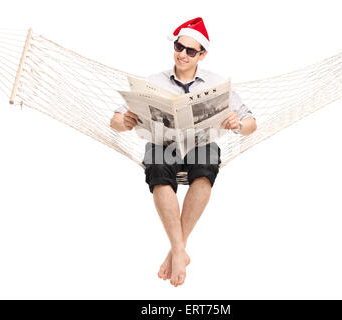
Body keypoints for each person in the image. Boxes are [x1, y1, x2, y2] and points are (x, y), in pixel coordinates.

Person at [110, 17, 257, 287]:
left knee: (205, 172)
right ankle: (180, 252)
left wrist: (238, 124)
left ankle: (176, 251)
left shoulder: (217, 84)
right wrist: (123, 121)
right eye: (179, 47)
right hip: (163, 144)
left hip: (201, 143)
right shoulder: (154, 81)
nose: (183, 55)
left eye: (191, 51)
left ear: (203, 54)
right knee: (158, 171)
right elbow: (116, 119)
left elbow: (251, 124)